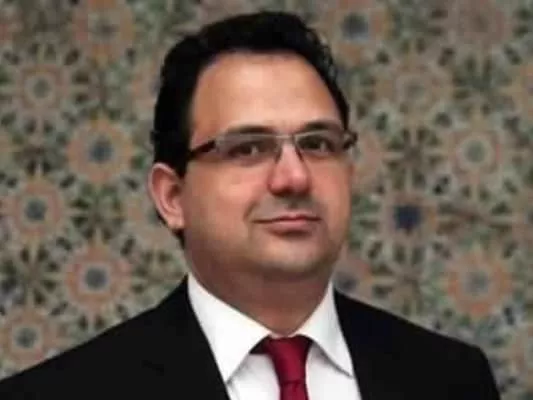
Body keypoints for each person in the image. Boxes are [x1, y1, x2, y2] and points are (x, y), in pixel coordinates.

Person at [0, 11, 500, 400]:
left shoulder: (451, 378)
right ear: (173, 197)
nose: (294, 177)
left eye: (318, 143)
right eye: (247, 149)